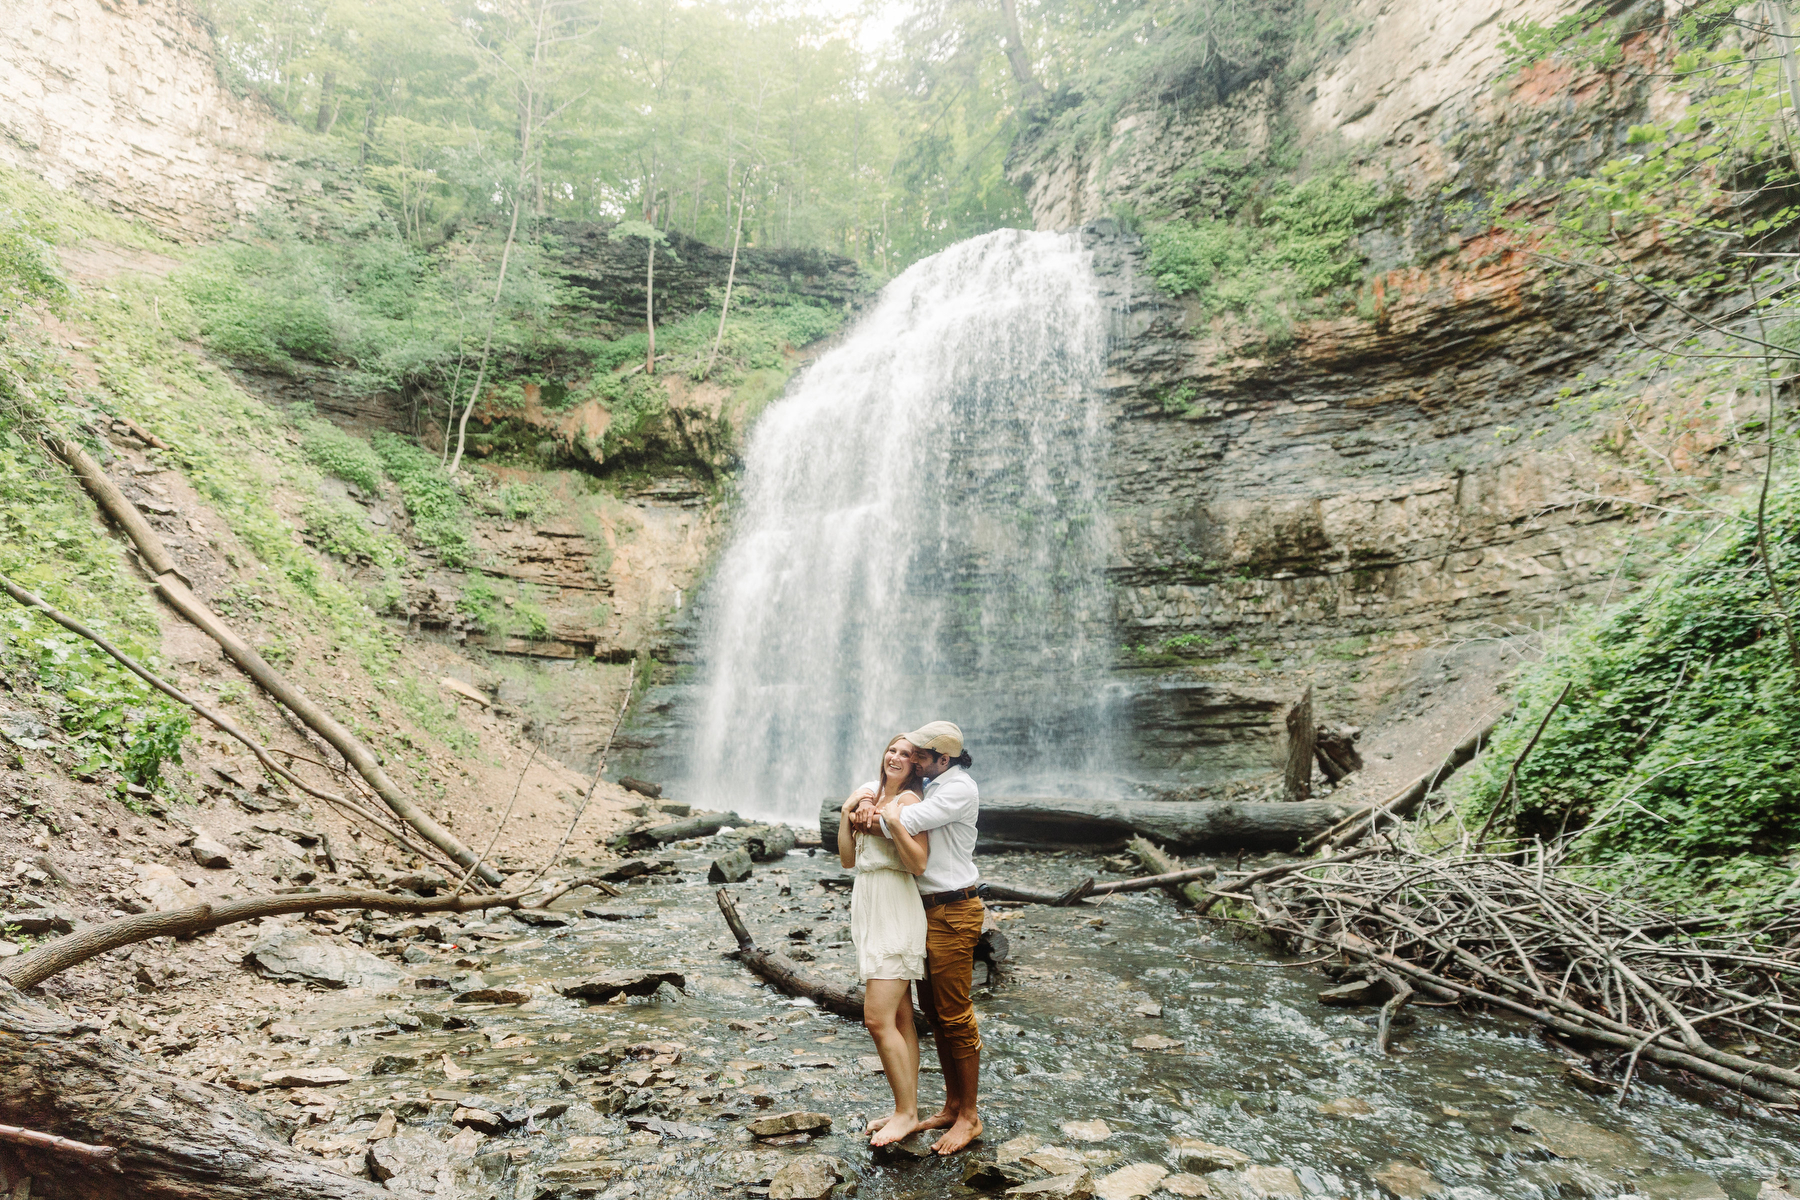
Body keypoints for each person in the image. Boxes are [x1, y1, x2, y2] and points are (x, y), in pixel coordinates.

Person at [846, 720, 983, 1155]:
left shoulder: (957, 788)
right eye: (909, 753)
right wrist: (864, 797)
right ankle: (949, 1105)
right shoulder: (933, 783)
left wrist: (868, 808)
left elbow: (903, 819)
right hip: (922, 908)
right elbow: (883, 810)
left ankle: (969, 1117)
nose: (913, 761)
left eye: (920, 755)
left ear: (943, 759)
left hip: (953, 909)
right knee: (935, 1014)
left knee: (955, 1014)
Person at [838, 734, 930, 1148]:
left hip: (895, 905)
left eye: (906, 754)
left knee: (876, 1019)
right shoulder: (867, 794)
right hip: (869, 904)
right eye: (892, 750)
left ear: (916, 765)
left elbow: (919, 862)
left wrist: (887, 822)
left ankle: (907, 1113)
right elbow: (847, 858)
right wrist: (847, 814)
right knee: (901, 1018)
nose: (895, 757)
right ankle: (904, 1108)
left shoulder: (909, 804)